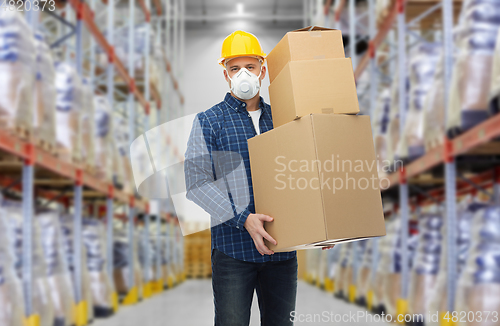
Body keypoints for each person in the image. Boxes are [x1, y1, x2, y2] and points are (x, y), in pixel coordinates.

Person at [184, 30, 332, 326]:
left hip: (281, 253)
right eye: (234, 68)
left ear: (262, 70)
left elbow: (303, 175)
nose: (243, 75)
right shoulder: (208, 121)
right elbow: (196, 183)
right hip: (233, 253)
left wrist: (322, 225)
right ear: (225, 74)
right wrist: (244, 218)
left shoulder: (284, 119)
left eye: (250, 67)